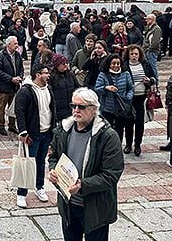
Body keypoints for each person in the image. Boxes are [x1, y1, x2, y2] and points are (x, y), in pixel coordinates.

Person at [48, 87, 125, 240]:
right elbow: (53, 156)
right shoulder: (64, 130)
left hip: (96, 208)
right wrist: (53, 170)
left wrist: (82, 185)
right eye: (73, 106)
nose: (76, 110)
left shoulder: (107, 136)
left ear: (94, 109)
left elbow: (111, 174)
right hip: (69, 205)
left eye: (81, 107)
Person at [14, 63, 55, 208]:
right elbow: (20, 111)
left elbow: (51, 109)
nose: (48, 75)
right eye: (45, 73)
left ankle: (39, 187)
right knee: (28, 164)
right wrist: (23, 131)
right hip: (32, 134)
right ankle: (21, 193)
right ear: (38, 75)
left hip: (46, 132)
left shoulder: (48, 89)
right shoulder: (26, 91)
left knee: (40, 161)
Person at [122, 45, 155, 156]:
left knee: (140, 123)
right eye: (132, 54)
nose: (134, 56)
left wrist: (149, 80)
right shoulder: (125, 65)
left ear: (139, 54)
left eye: (136, 54)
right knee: (128, 122)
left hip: (141, 98)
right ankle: (128, 144)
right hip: (129, 98)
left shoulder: (145, 64)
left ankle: (137, 145)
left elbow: (153, 78)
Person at [94, 54, 134, 144]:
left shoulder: (126, 74)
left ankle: (117, 148)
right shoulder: (103, 75)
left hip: (121, 107)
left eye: (118, 63)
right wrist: (106, 88)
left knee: (119, 130)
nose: (116, 66)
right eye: (113, 63)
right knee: (108, 131)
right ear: (109, 64)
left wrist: (128, 97)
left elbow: (131, 88)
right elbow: (96, 89)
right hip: (107, 108)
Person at [0, 36, 23, 135]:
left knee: (13, 107)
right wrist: (11, 79)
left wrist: (20, 77)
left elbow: (21, 68)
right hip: (3, 86)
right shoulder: (1, 55)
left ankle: (12, 125)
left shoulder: (17, 55)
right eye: (15, 43)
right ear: (9, 44)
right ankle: (1, 126)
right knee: (1, 108)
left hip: (14, 86)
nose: (17, 45)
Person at [49, 54, 79, 122]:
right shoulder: (51, 77)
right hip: (59, 112)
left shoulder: (70, 75)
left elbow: (77, 88)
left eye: (66, 63)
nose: (66, 65)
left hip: (71, 110)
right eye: (63, 63)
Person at [142, 14, 162, 82]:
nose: (146, 20)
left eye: (147, 19)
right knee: (149, 67)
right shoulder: (150, 28)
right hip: (148, 50)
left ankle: (155, 81)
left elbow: (155, 41)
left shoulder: (156, 29)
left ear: (152, 19)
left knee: (153, 67)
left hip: (151, 51)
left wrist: (149, 49)